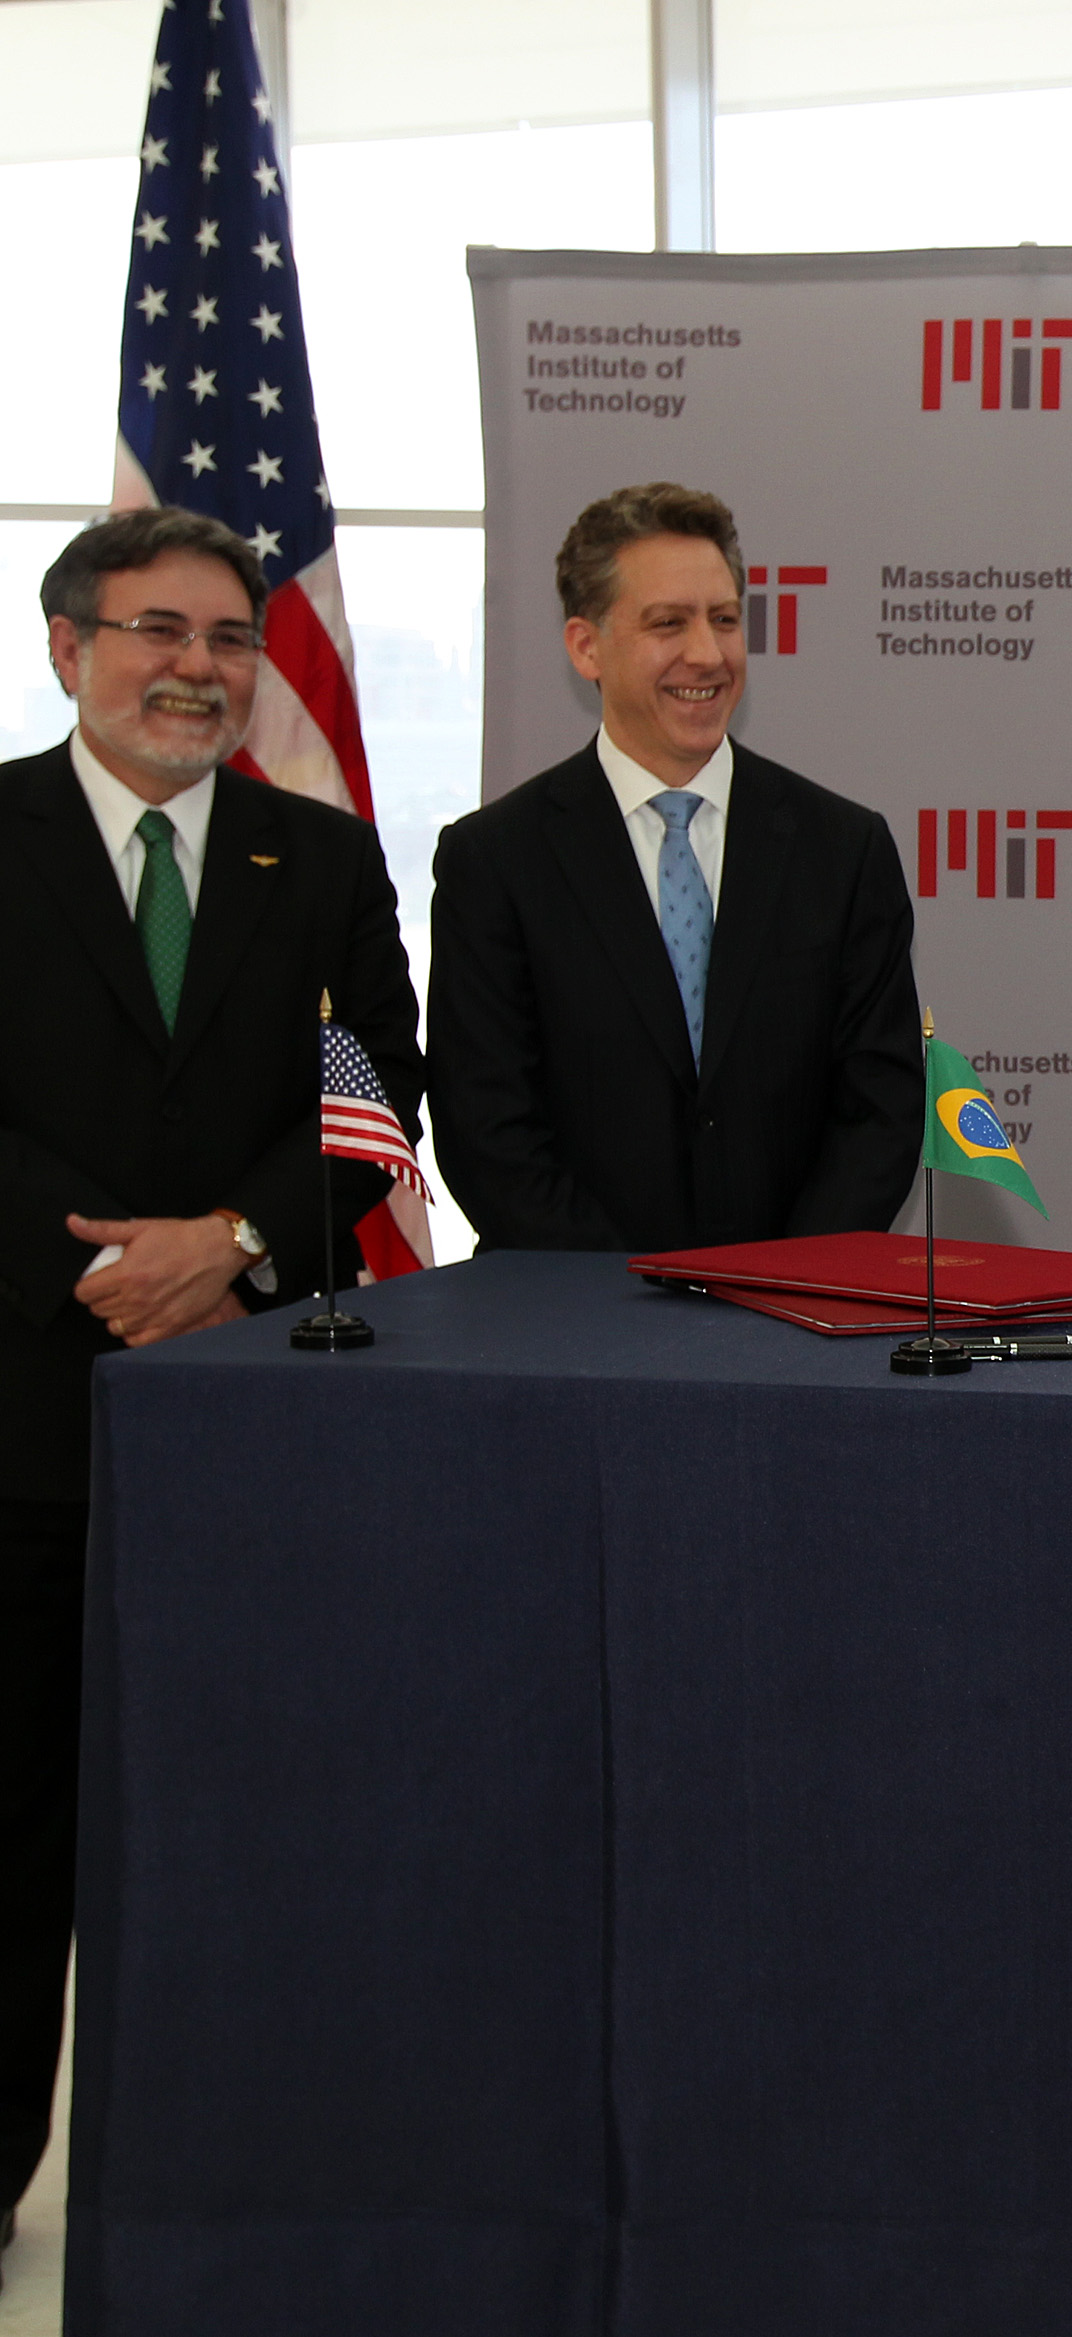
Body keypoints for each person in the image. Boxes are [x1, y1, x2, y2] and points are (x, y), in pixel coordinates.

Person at [0, 508, 420, 2236]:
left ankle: (236, 2181)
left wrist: (231, 1239)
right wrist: (101, 1257)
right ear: (67, 646)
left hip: (250, 1426)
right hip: (20, 1409)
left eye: (230, 637)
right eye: (159, 629)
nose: (197, 666)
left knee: (248, 1826)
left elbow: (375, 1089)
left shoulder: (314, 859)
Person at [427, 482, 921, 1253]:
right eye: (669, 623)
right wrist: (632, 1301)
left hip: (795, 1324)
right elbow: (485, 1127)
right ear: (586, 645)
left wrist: (782, 1282)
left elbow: (881, 1109)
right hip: (579, 1326)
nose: (708, 653)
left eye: (724, 619)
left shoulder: (844, 848)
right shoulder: (494, 860)